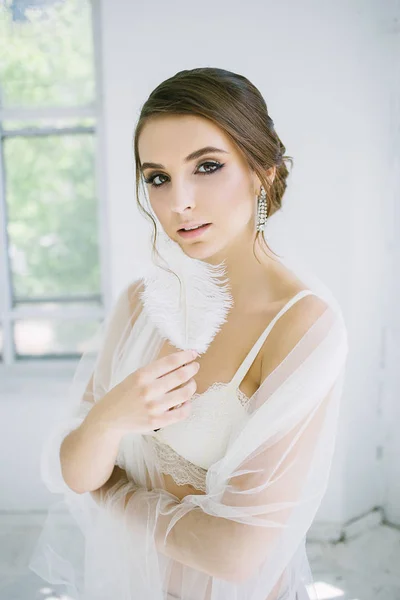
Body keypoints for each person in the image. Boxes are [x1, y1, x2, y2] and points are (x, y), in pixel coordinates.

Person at [29, 67, 349, 600]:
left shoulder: (302, 324)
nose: (179, 202)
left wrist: (113, 491)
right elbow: (73, 470)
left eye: (206, 167)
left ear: (261, 171)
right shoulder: (139, 302)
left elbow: (237, 553)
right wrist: (110, 416)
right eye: (158, 177)